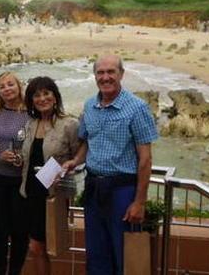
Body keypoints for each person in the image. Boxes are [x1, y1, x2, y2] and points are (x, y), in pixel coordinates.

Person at [62, 54, 157, 275]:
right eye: (100, 72)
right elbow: (88, 142)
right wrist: (75, 161)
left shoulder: (137, 108)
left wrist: (139, 202)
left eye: (111, 72)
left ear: (121, 74)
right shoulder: (90, 106)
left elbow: (145, 159)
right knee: (96, 254)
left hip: (122, 192)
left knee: (124, 254)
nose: (105, 77)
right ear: (94, 76)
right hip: (94, 189)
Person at [19, 76, 81, 274]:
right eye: (36, 95)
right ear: (31, 100)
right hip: (29, 192)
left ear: (55, 97)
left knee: (41, 247)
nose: (42, 98)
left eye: (46, 93)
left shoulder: (69, 124)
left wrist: (72, 163)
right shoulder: (30, 124)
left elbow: (82, 151)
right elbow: (29, 157)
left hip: (51, 195)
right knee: (36, 248)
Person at [0, 72, 30, 275]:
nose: (7, 89)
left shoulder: (31, 113)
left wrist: (20, 157)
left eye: (10, 84)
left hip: (22, 180)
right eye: (2, 86)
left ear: (19, 86)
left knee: (20, 231)